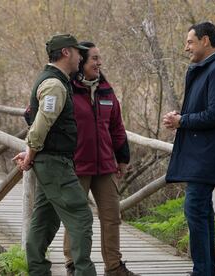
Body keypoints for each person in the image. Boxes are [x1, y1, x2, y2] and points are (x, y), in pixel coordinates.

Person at [13, 34, 97, 276]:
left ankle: (37, 270)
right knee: (81, 216)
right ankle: (83, 272)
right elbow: (41, 124)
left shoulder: (58, 81)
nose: (81, 57)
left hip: (52, 162)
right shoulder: (54, 85)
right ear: (66, 53)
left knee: (44, 219)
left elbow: (41, 125)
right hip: (55, 164)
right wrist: (30, 153)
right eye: (78, 51)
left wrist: (31, 152)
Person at [163, 22, 215, 276]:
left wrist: (182, 121)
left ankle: (202, 271)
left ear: (205, 41)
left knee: (195, 208)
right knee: (200, 210)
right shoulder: (205, 70)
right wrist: (180, 116)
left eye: (190, 42)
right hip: (199, 153)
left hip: (208, 155)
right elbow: (203, 110)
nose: (186, 48)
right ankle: (205, 271)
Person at [62, 41, 139, 276]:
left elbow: (117, 126)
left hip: (105, 165)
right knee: (76, 218)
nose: (99, 63)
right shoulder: (66, 88)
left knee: (112, 217)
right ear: (81, 62)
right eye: (94, 58)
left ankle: (114, 267)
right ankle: (73, 265)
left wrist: (122, 157)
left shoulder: (106, 89)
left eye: (99, 58)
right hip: (78, 166)